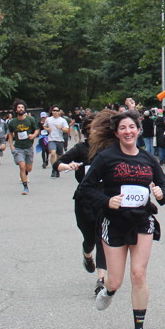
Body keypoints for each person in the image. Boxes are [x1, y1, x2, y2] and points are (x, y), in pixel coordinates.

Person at [80, 110, 165, 329]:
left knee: (138, 274)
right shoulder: (106, 157)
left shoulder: (148, 158)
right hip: (114, 222)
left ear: (139, 130)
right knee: (116, 280)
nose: (128, 132)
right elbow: (86, 189)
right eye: (123, 128)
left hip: (142, 220)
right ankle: (108, 290)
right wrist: (107, 201)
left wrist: (160, 194)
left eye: (132, 127)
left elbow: (163, 188)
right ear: (116, 133)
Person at [57, 116, 106, 294]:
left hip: (104, 198)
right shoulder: (80, 149)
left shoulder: (108, 149)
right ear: (87, 131)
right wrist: (67, 166)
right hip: (84, 199)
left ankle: (101, 280)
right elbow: (58, 164)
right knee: (90, 239)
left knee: (102, 238)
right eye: (94, 128)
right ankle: (87, 254)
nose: (98, 131)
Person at [7, 100, 38, 195]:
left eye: (22, 107)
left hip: (28, 147)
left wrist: (33, 135)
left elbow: (37, 130)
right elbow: (10, 134)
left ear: (24, 109)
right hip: (18, 148)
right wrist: (11, 146)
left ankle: (25, 174)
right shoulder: (12, 122)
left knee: (28, 168)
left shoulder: (30, 119)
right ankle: (25, 187)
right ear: (16, 110)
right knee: (22, 166)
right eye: (19, 107)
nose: (20, 109)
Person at [44, 106, 71, 178]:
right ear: (52, 111)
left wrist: (61, 128)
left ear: (59, 112)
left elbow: (67, 130)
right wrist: (47, 129)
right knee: (53, 153)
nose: (55, 112)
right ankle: (54, 169)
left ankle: (57, 169)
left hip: (60, 140)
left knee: (59, 157)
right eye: (54, 110)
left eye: (57, 111)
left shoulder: (62, 120)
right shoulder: (48, 119)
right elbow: (44, 126)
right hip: (51, 139)